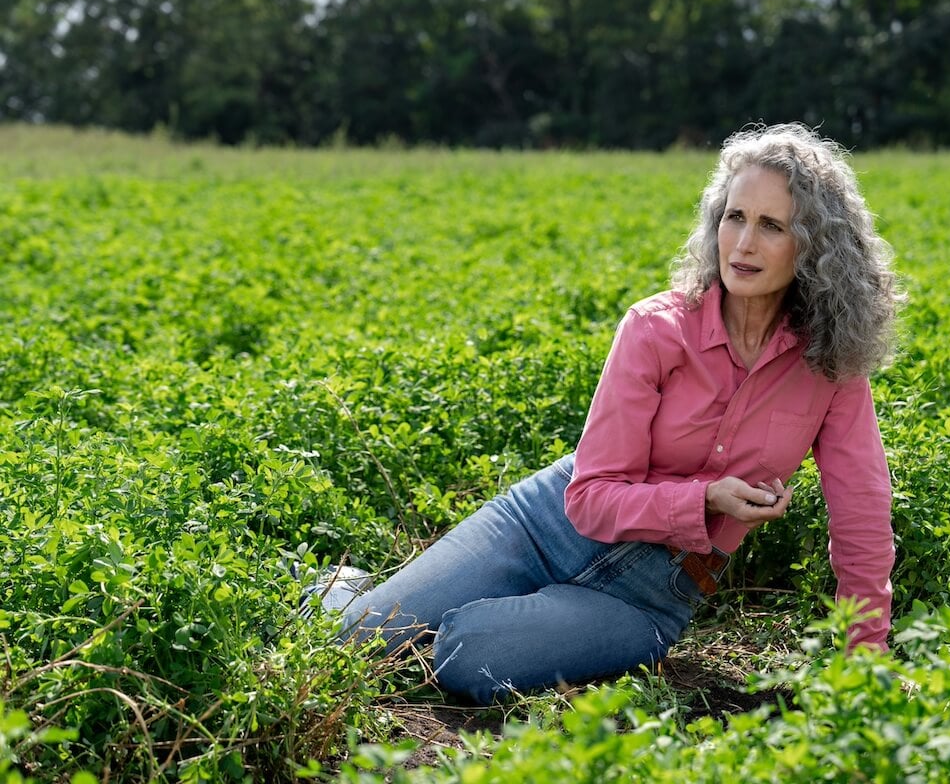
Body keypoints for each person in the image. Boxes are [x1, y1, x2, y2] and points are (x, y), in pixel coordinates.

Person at [310, 123, 902, 704]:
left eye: (772, 226)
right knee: (351, 641)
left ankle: (449, 610)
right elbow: (589, 497)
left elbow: (863, 513)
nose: (743, 244)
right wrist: (704, 501)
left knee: (465, 656)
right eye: (734, 217)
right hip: (545, 529)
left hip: (649, 596)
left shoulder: (831, 366)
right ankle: (346, 593)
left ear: (815, 249)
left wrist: (867, 655)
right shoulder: (657, 328)